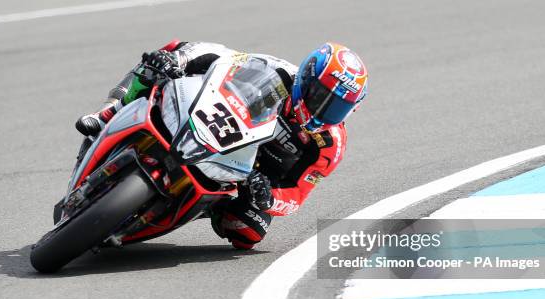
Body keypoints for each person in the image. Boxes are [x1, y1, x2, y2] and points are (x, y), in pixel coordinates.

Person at [75, 40, 368, 249]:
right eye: (321, 96)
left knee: (249, 233)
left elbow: (297, 195)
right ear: (306, 77)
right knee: (167, 53)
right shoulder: (277, 72)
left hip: (246, 176)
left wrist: (268, 196)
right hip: (215, 128)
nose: (323, 110)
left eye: (337, 107)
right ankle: (109, 112)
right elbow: (221, 56)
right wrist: (180, 61)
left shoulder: (330, 145)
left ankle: (199, 206)